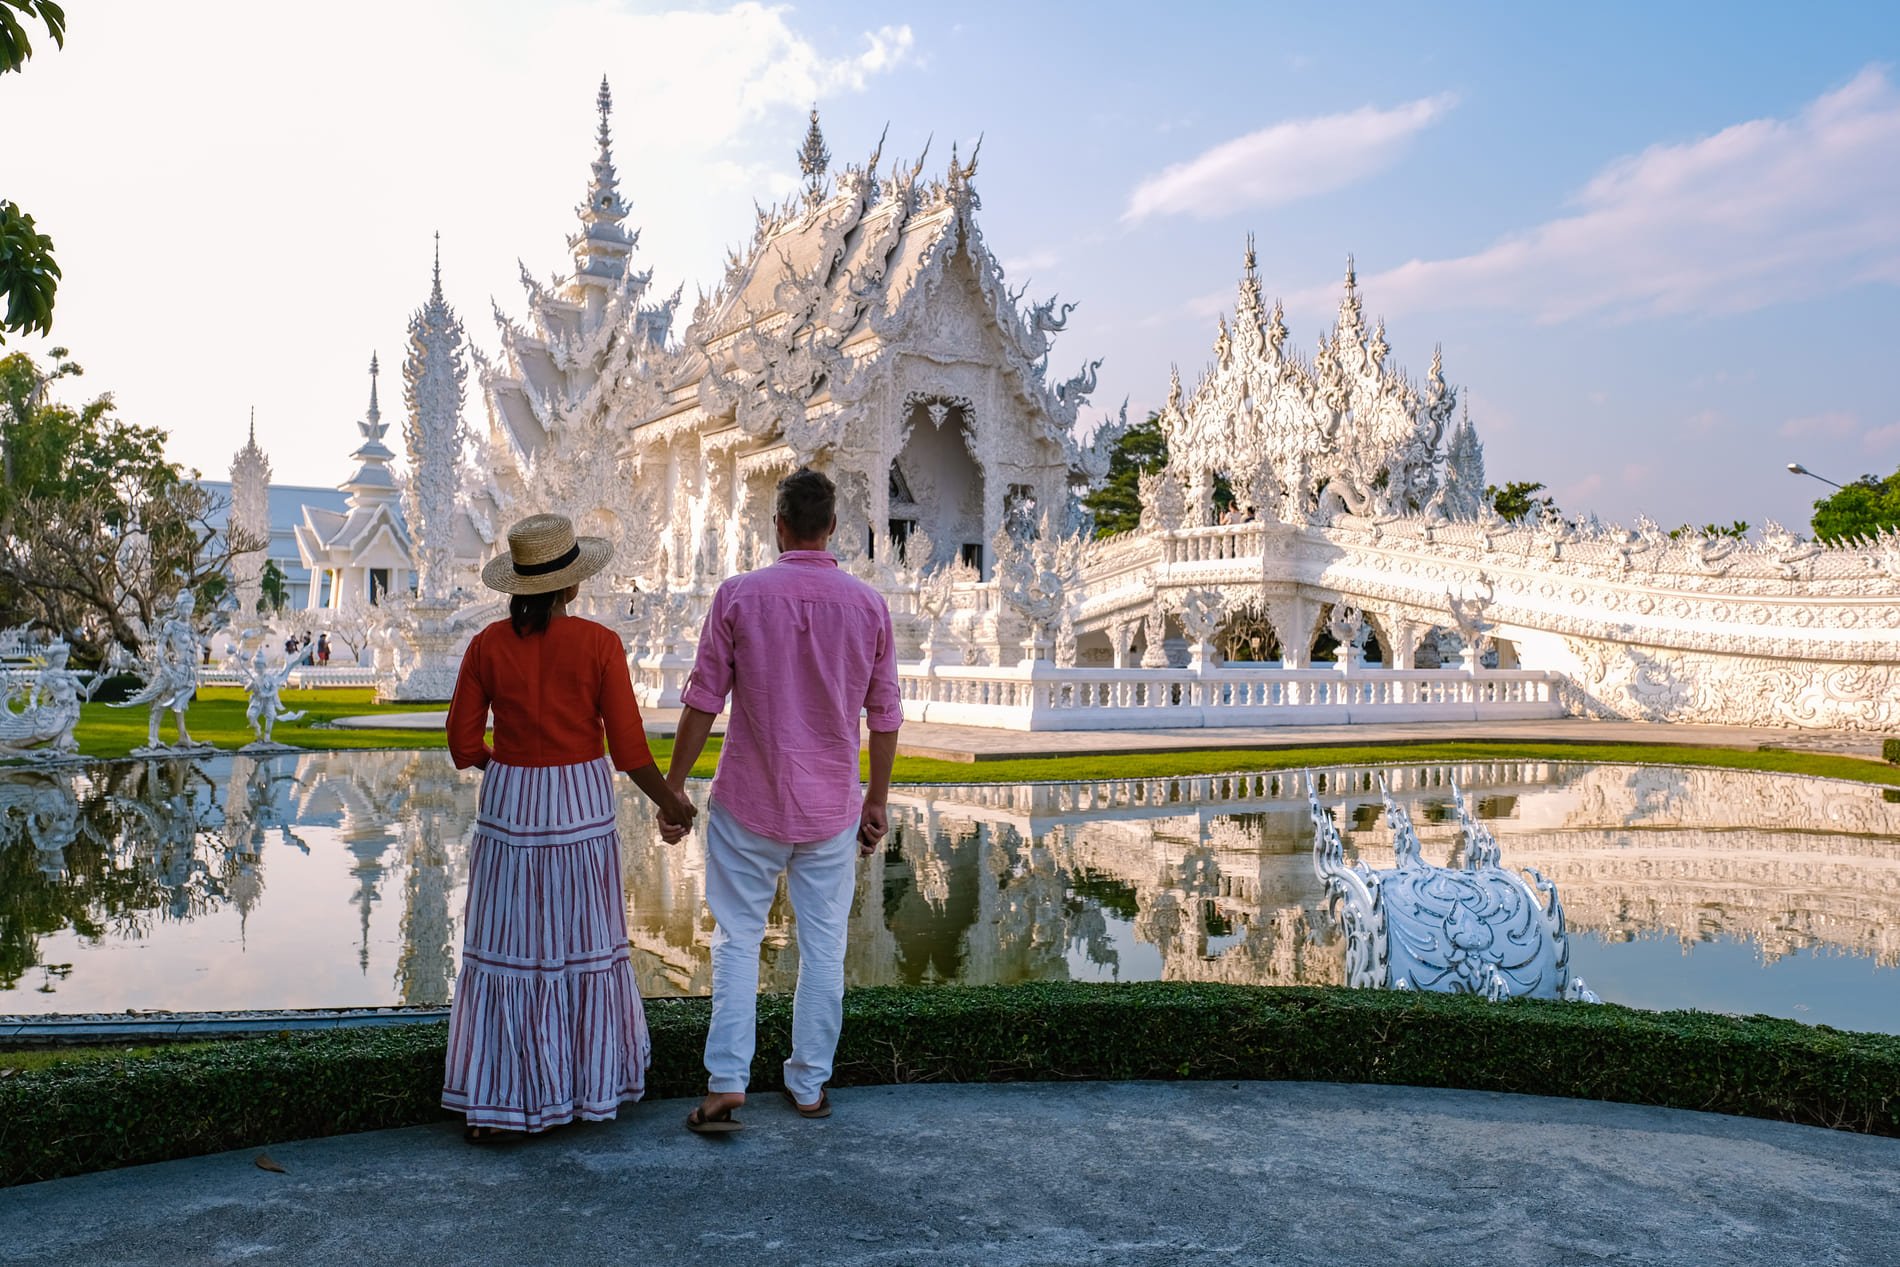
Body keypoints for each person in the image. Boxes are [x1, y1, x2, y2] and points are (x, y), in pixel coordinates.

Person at [443, 513, 695, 1143]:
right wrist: (672, 803)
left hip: (510, 804)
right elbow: (630, 751)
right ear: (572, 585)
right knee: (579, 943)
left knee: (511, 949)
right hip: (580, 803)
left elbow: (461, 744)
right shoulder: (600, 645)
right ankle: (584, 1089)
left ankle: (501, 1100)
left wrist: (502, 766)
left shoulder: (486, 646)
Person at [664, 467, 901, 1134]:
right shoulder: (867, 605)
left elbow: (702, 700)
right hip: (830, 807)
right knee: (824, 948)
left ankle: (727, 1085)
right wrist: (876, 799)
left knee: (738, 940)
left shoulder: (739, 596)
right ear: (832, 529)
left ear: (778, 525)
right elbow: (885, 715)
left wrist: (674, 785)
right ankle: (807, 1085)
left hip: (750, 800)